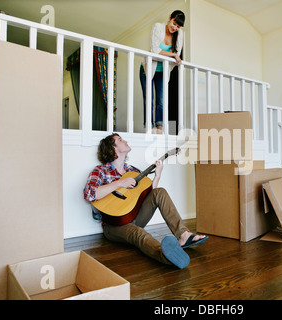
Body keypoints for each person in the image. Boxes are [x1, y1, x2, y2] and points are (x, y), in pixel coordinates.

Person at [83, 133, 207, 269]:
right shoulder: (100, 171)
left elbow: (150, 195)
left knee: (160, 192)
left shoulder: (133, 171)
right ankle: (165, 256)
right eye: (120, 140)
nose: (125, 141)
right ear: (112, 148)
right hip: (114, 225)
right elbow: (89, 194)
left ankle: (183, 235)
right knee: (139, 234)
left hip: (135, 217)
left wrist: (157, 176)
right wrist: (119, 183)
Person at [139, 10, 185, 134]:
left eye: (178, 26)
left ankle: (160, 127)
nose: (175, 28)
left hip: (163, 71)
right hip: (147, 69)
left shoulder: (180, 34)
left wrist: (174, 55)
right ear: (170, 18)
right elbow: (154, 50)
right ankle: (149, 126)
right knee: (148, 98)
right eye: (174, 23)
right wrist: (173, 54)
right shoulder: (158, 27)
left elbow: (178, 55)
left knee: (161, 100)